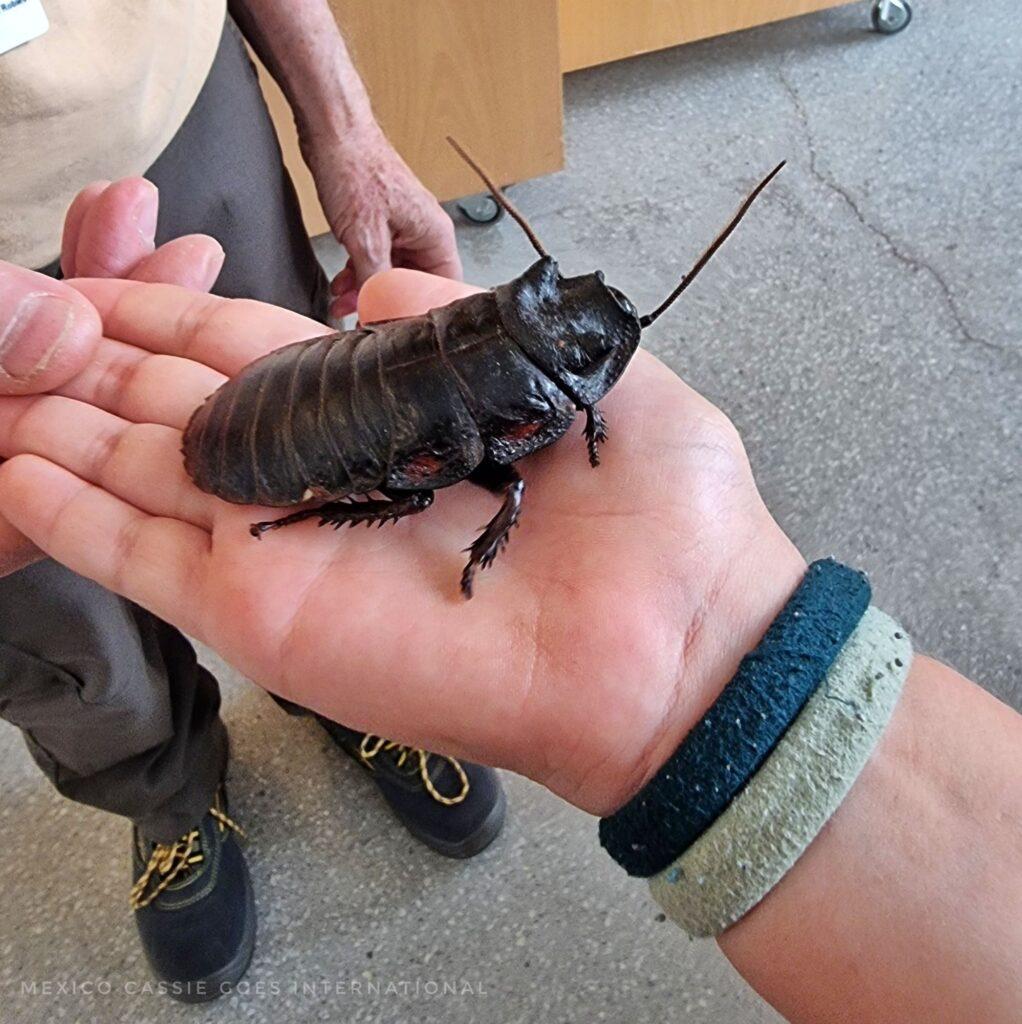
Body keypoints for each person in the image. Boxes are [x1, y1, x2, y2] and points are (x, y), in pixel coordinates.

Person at [0, 193, 1019, 1023]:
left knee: (440, 473)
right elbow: (487, 473)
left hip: (317, 391)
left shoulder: (522, 392)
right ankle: (176, 788)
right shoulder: (540, 420)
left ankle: (346, 718)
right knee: (468, 481)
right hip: (294, 416)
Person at [0, 0, 504, 1002]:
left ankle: (352, 686)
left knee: (329, 449)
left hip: (171, 109)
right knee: (51, 618)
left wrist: (344, 122)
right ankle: (164, 792)